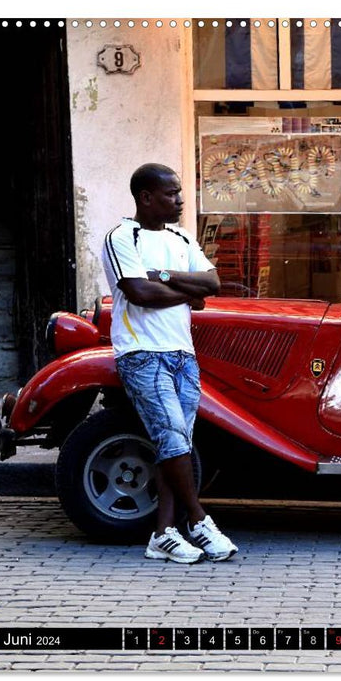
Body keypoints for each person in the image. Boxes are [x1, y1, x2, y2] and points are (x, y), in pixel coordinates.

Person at [102, 163, 238, 564]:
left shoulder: (180, 237)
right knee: (174, 440)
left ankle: (162, 533)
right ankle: (197, 518)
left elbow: (212, 284)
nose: (180, 200)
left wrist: (164, 274)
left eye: (179, 193)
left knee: (172, 445)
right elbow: (139, 292)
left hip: (182, 353)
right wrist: (186, 293)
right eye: (171, 194)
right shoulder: (121, 237)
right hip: (141, 352)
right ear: (146, 197)